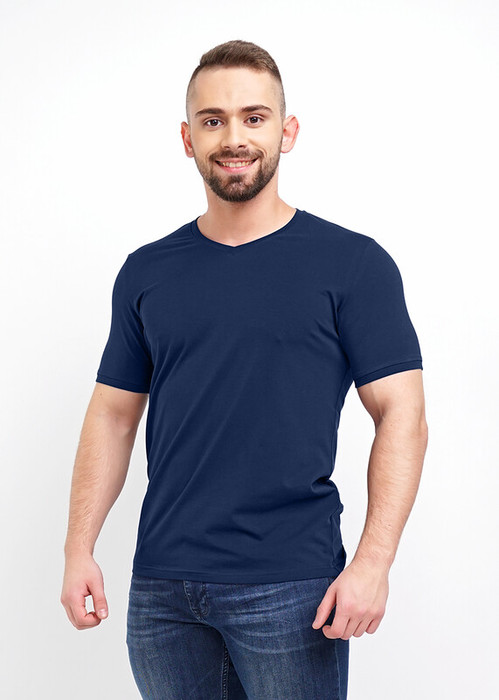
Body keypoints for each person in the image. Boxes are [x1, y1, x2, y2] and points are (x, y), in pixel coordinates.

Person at [61, 39, 428, 700]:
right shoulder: (146, 271)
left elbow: (402, 413)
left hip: (292, 586)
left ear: (287, 131)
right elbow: (113, 416)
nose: (234, 137)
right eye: (213, 120)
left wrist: (373, 562)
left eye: (254, 117)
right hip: (163, 590)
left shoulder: (353, 265)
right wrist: (78, 548)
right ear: (187, 138)